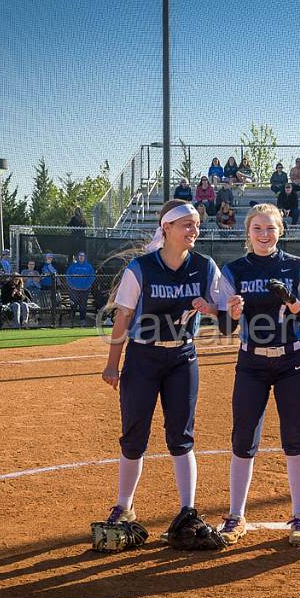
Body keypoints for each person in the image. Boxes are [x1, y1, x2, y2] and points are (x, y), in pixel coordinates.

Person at [100, 199, 222, 539]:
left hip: (183, 357)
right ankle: (124, 505)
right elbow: (122, 317)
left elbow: (223, 311)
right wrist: (112, 365)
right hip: (142, 358)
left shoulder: (204, 265)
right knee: (134, 435)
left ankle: (188, 509)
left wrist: (210, 308)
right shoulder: (141, 268)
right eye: (187, 224)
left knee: (181, 436)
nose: (194, 230)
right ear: (166, 228)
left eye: (196, 224)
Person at [213, 204, 300, 546]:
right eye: (257, 228)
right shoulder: (234, 270)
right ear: (248, 232)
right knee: (243, 439)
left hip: (292, 362)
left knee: (295, 440)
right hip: (251, 364)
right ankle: (236, 515)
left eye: (270, 228)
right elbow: (227, 327)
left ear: (281, 230)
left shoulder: (298, 267)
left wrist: (295, 305)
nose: (263, 234)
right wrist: (231, 311)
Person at [66, 251, 95, 325]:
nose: (81, 257)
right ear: (78, 257)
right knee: (73, 304)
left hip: (85, 289)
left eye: (83, 256)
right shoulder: (73, 266)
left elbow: (92, 276)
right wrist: (71, 284)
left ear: (85, 257)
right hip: (74, 289)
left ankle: (82, 319)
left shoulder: (89, 266)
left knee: (83, 305)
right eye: (80, 256)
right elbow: (68, 275)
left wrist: (88, 284)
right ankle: (72, 319)